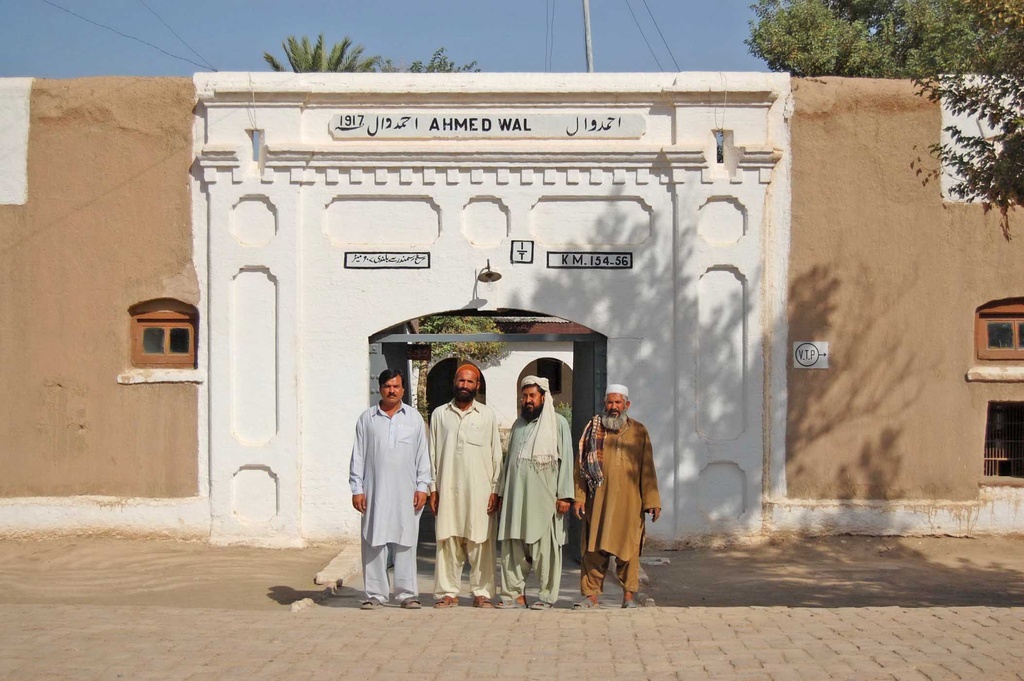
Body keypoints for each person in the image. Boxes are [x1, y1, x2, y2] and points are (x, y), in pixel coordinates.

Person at [573, 384, 661, 609]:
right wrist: (579, 497)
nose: (613, 407)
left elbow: (647, 468)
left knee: (629, 550)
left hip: (630, 504)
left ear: (627, 405)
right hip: (598, 503)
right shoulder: (593, 430)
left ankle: (629, 597)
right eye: (610, 403)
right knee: (593, 551)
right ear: (605, 404)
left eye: (618, 403)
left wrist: (652, 502)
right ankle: (591, 597)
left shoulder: (639, 431)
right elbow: (581, 466)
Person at [349, 369, 431, 610]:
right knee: (374, 540)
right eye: (387, 386)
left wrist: (422, 486)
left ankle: (407, 594)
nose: (392, 390)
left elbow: (422, 456)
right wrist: (357, 488)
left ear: (403, 389)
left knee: (406, 541)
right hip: (374, 492)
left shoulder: (414, 418)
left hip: (407, 492)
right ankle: (375, 594)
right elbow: (358, 456)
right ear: (380, 388)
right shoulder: (367, 419)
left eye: (396, 386)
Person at [495, 375, 574, 610]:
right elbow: (509, 463)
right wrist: (502, 494)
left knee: (546, 551)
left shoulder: (558, 423)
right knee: (513, 550)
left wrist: (565, 495)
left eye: (532, 396)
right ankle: (513, 595)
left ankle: (546, 597)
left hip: (546, 499)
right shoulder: (519, 425)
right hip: (516, 499)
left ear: (543, 397)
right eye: (524, 396)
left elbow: (567, 460)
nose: (527, 400)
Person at [429, 363, 503, 608]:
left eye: (470, 382)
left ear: (477, 385)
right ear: (454, 383)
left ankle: (482, 592)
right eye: (461, 381)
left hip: (480, 492)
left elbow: (496, 455)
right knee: (447, 542)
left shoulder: (488, 415)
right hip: (448, 488)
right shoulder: (440, 414)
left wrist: (496, 489)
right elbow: (432, 454)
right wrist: (433, 488)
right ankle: (447, 593)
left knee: (481, 542)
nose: (465, 385)